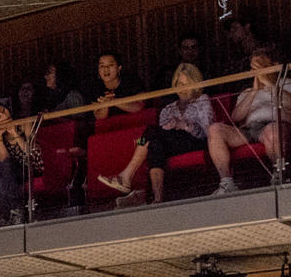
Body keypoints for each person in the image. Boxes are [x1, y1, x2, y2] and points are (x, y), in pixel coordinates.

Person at [98, 63, 229, 202]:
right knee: (154, 144)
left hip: (196, 141)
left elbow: (207, 132)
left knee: (150, 132)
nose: (182, 89)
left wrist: (185, 125)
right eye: (179, 84)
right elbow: (161, 134)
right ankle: (158, 198)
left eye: (186, 84)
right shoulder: (169, 108)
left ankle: (126, 175)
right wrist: (167, 129)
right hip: (173, 144)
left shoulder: (202, 100)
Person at [209, 44, 291, 192]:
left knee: (271, 130)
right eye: (254, 68)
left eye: (261, 67)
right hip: (249, 130)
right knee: (215, 129)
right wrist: (254, 91)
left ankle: (279, 175)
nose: (257, 72)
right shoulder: (247, 91)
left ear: (275, 65)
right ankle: (227, 182)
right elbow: (236, 117)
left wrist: (269, 83)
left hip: (276, 125)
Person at [0, 98, 42, 224]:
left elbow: (30, 151)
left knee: (5, 175)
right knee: (2, 177)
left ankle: (10, 212)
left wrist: (15, 133)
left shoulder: (23, 123)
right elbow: (3, 159)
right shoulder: (0, 134)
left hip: (31, 165)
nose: (1, 114)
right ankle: (14, 211)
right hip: (14, 171)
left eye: (3, 110)